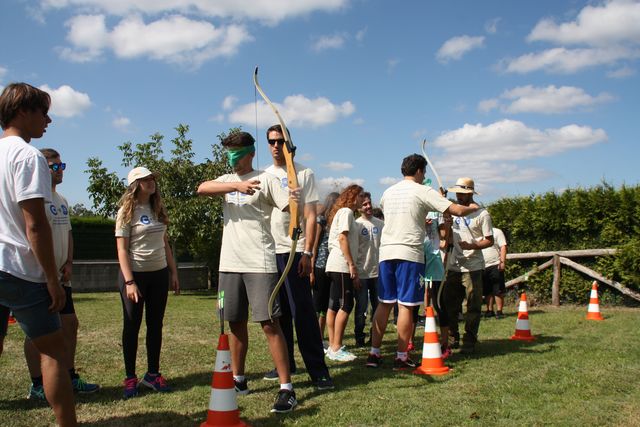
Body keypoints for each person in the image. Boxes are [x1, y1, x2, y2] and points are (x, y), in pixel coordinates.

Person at [197, 131, 298, 413]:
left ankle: (287, 388)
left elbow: (288, 206)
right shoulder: (227, 181)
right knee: (235, 322)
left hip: (259, 262)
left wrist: (293, 194)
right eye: (229, 153)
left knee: (269, 323)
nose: (232, 158)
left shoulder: (265, 178)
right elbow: (202, 187)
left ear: (251, 152)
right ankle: (239, 379)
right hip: (229, 262)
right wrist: (236, 188)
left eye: (237, 153)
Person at [0, 82, 77, 426]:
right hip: (19, 269)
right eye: (43, 112)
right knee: (54, 350)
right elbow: (35, 224)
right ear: (21, 112)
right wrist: (51, 279)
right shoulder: (28, 156)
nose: (48, 120)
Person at [366, 154, 479, 370]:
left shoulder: (388, 192)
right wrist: (474, 207)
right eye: (424, 172)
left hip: (387, 252)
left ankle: (374, 353)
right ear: (419, 171)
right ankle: (400, 356)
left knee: (385, 303)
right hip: (409, 252)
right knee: (407, 305)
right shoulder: (421, 190)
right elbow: (455, 210)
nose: (424, 175)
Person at [262, 125, 334, 390]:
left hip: (295, 251)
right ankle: (287, 364)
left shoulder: (304, 173)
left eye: (280, 141)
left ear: (289, 144)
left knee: (303, 312)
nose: (275, 147)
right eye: (271, 142)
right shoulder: (265, 175)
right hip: (271, 252)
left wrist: (307, 251)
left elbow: (311, 215)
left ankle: (318, 370)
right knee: (277, 312)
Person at [24, 148, 100, 400]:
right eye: (54, 166)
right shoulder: (35, 199)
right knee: (38, 332)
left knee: (70, 324)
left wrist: (68, 262)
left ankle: (69, 376)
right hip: (38, 276)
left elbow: (67, 234)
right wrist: (44, 270)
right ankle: (37, 385)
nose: (60, 170)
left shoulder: (63, 201)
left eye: (62, 165)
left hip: (61, 276)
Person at [116, 166, 180, 399]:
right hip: (135, 275)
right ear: (136, 184)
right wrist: (130, 281)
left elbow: (164, 243)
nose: (151, 182)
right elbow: (122, 250)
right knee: (132, 325)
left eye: (153, 178)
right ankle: (130, 378)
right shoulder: (126, 211)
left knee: (155, 325)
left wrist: (173, 272)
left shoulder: (157, 208)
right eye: (146, 179)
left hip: (159, 274)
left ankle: (153, 374)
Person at [442, 177, 494, 354]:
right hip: (454, 264)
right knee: (449, 304)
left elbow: (489, 240)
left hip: (473, 266)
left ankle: (470, 340)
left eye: (463, 193)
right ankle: (452, 336)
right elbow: (446, 237)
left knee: (473, 305)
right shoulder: (452, 211)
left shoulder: (482, 213)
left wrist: (472, 245)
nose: (459, 196)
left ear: (470, 193)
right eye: (457, 192)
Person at [325, 184, 365, 362]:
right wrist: (351, 264)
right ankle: (335, 347)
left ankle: (334, 344)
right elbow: (342, 238)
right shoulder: (347, 212)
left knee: (333, 306)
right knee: (346, 304)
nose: (363, 200)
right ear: (353, 196)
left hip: (335, 264)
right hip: (341, 264)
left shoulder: (343, 213)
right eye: (360, 196)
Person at [354, 192, 383, 347]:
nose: (368, 206)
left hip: (378, 273)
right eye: (364, 204)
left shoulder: (380, 224)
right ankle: (359, 337)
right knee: (361, 308)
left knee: (378, 307)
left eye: (369, 203)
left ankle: (375, 336)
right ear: (359, 208)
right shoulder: (356, 225)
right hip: (362, 273)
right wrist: (355, 274)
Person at [311, 192, 339, 350]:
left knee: (325, 306)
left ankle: (320, 338)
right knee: (317, 305)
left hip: (332, 267)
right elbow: (314, 245)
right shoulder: (321, 220)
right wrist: (312, 270)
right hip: (320, 266)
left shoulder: (335, 221)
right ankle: (314, 338)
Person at [482, 227, 508, 319]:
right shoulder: (477, 233)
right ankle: (489, 310)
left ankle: (499, 311)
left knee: (498, 289)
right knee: (487, 290)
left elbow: (503, 247)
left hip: (495, 264)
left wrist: (502, 262)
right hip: (482, 265)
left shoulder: (497, 232)